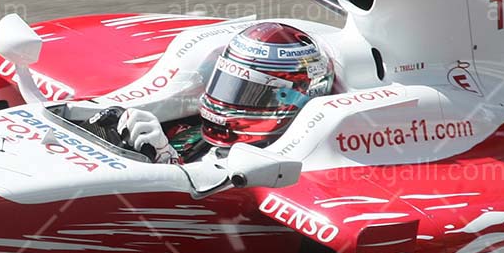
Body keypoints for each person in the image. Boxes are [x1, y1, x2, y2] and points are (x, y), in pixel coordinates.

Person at [89, 21, 335, 163]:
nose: (224, 102)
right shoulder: (190, 134)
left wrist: (167, 164)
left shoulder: (300, 164)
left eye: (251, 93)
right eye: (227, 84)